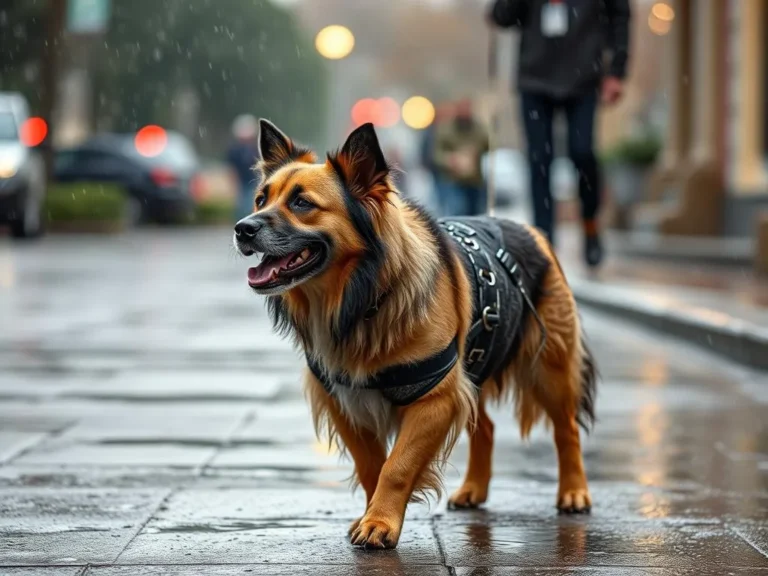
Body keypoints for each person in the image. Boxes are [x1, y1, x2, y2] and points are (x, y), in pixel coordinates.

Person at [488, 0, 631, 268]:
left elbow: (620, 15)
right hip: (534, 79)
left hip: (584, 77)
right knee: (538, 159)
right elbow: (503, 16)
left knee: (583, 152)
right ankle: (545, 241)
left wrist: (617, 71)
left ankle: (590, 224)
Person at [432, 98, 490, 217]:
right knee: (458, 211)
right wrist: (449, 160)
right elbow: (436, 154)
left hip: (474, 180)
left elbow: (488, 146)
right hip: (453, 180)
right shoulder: (446, 129)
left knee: (476, 213)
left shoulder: (478, 128)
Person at [226, 114, 260, 220]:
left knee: (251, 203)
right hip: (242, 181)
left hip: (254, 180)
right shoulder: (234, 150)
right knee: (242, 205)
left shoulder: (256, 148)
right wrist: (233, 184)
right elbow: (232, 169)